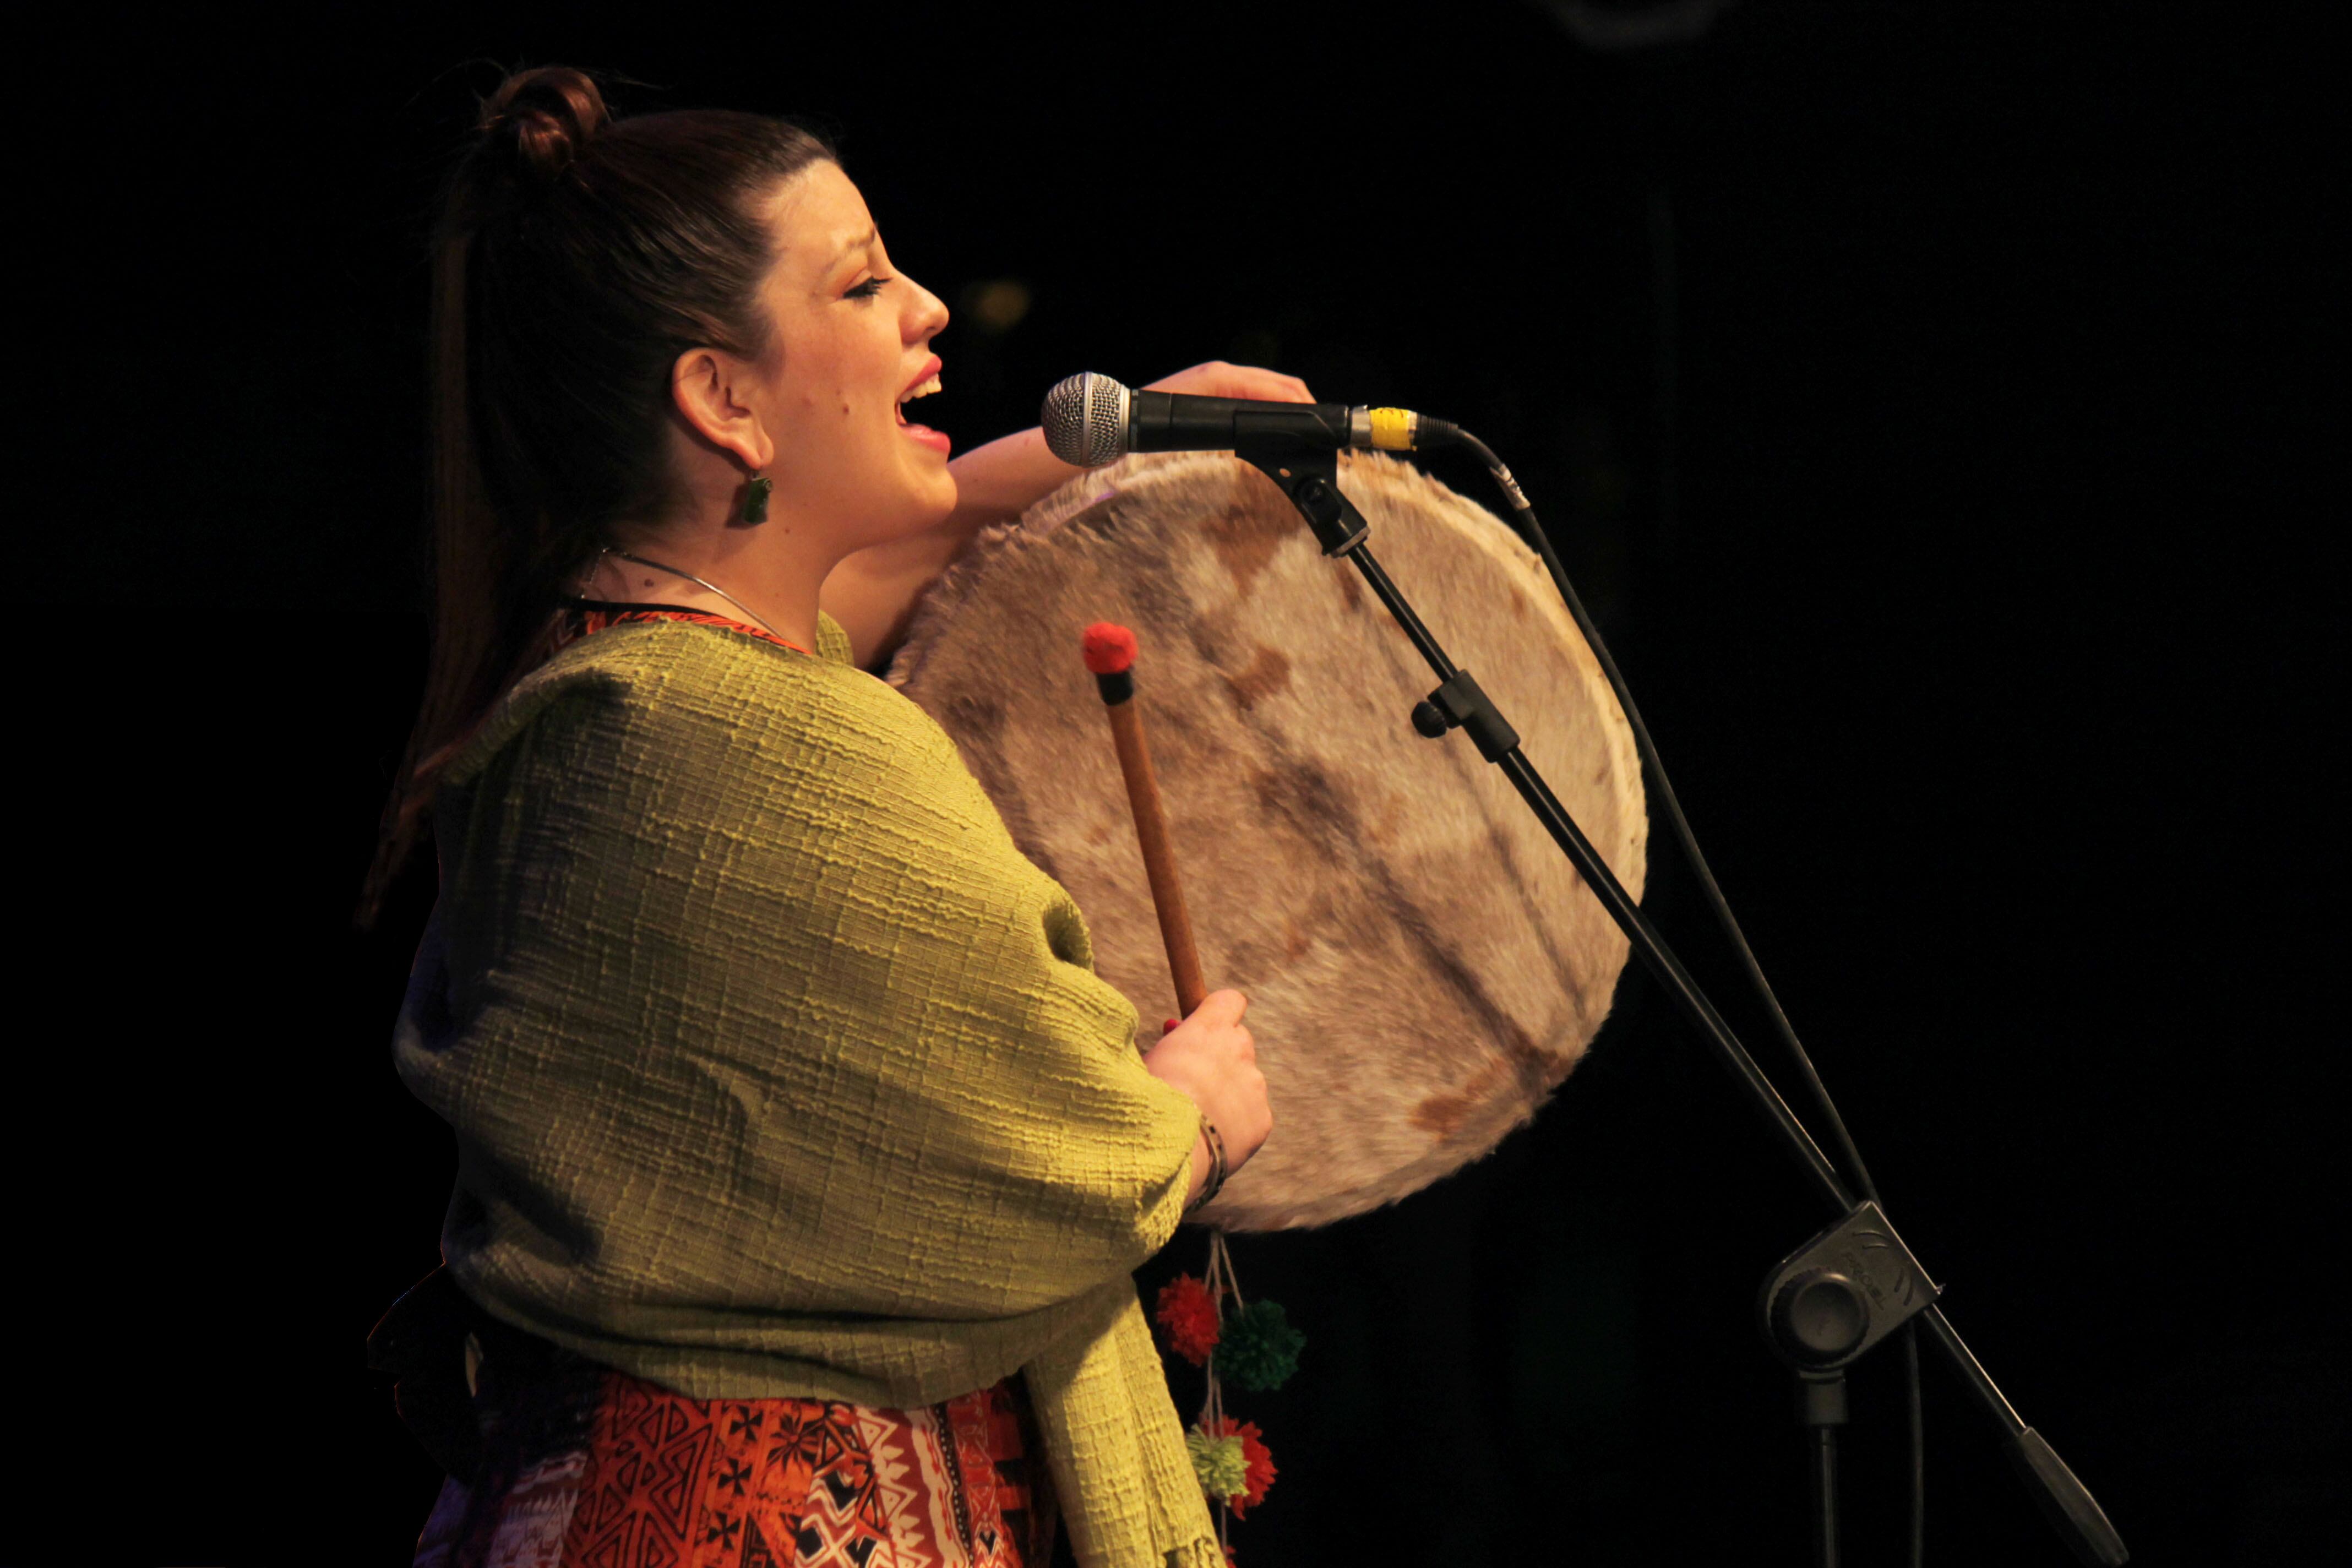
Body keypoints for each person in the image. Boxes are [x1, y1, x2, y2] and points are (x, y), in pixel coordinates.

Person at [364, 65, 1293, 1568]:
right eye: (862, 285)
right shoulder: (757, 746)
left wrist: (1113, 440)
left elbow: (842, 583)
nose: (927, 307)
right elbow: (1041, 1144)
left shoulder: (624, 671)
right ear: (723, 399)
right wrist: (1185, 1121)